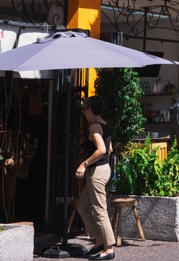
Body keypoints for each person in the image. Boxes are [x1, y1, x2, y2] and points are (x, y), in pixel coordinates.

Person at [75, 96, 116, 261]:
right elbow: (110, 149)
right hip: (102, 169)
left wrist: (83, 164)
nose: (84, 113)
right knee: (83, 208)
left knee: (99, 210)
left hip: (96, 172)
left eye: (84, 109)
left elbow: (101, 150)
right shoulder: (105, 124)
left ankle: (109, 248)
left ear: (90, 110)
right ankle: (99, 241)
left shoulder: (94, 127)